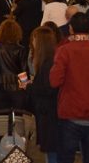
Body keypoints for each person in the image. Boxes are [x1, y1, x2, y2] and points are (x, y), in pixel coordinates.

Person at [50, 13, 89, 163]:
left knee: (66, 157)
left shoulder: (64, 51)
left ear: (71, 29)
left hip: (71, 113)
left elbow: (54, 81)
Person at [27, 26, 59, 163]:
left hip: (49, 116)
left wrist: (29, 87)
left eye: (34, 39)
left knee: (52, 153)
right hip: (51, 114)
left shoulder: (47, 65)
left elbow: (46, 90)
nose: (32, 42)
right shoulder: (51, 61)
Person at [0, 19, 28, 110]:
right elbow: (23, 71)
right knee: (17, 116)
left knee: (1, 116)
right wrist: (26, 86)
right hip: (17, 89)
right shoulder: (21, 49)